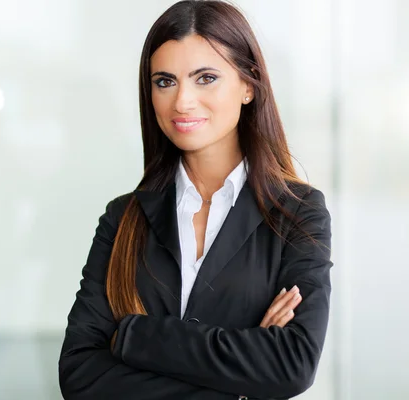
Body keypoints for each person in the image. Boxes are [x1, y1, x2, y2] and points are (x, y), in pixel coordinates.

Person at [58, 1, 332, 399]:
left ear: (248, 86)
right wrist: (241, 379)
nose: (182, 101)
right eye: (165, 81)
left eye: (205, 78)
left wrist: (134, 335)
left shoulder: (297, 211)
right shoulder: (123, 218)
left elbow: (292, 364)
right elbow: (80, 374)